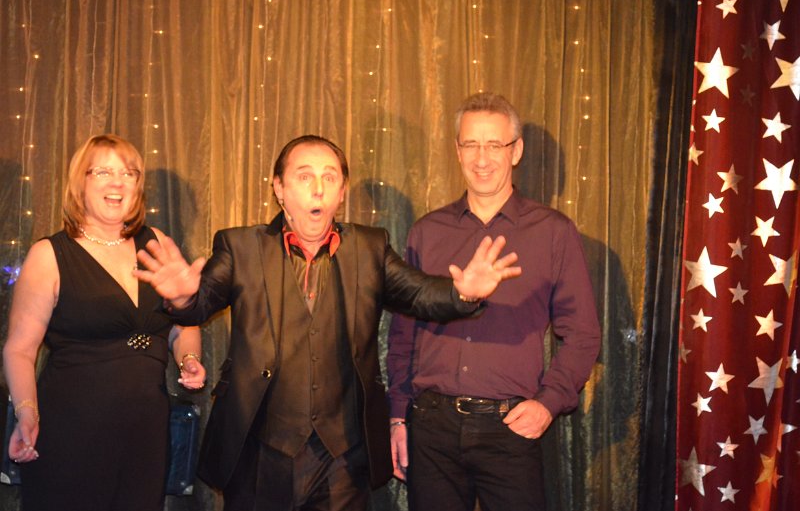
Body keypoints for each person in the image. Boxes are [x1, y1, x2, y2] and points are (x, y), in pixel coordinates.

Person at [132, 134, 521, 511]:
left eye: (329, 177)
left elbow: (419, 294)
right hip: (260, 448)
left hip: (343, 456)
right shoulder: (240, 246)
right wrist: (181, 297)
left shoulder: (370, 247)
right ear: (279, 188)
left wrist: (462, 293)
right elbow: (200, 304)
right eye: (304, 176)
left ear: (342, 191)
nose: (318, 189)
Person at [386, 92, 601, 511]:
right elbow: (403, 334)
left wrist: (548, 403)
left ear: (516, 151)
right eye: (471, 144)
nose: (481, 158)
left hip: (510, 430)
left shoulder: (553, 232)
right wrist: (397, 416)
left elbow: (583, 335)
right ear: (457, 150)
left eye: (494, 145)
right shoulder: (427, 233)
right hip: (431, 430)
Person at [2, 134, 207, 511]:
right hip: (70, 432)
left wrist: (189, 359)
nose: (118, 182)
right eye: (103, 172)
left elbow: (183, 323)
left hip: (145, 432)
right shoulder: (49, 254)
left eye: (129, 173)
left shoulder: (156, 243)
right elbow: (19, 349)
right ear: (79, 182)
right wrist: (27, 412)